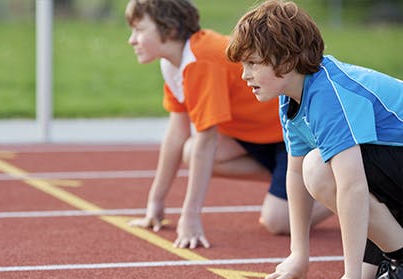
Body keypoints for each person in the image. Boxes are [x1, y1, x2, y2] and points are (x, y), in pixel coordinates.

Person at [226, 0, 403, 279]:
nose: (245, 75)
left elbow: (351, 185)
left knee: (319, 168)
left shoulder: (328, 94)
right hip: (393, 164)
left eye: (252, 63)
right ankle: (396, 257)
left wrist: (348, 274)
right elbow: (293, 175)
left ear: (286, 59)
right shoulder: (290, 98)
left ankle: (401, 259)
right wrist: (298, 254)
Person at [124, 0, 330, 249]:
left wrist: (189, 217)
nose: (132, 40)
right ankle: (288, 177)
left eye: (139, 29)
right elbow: (176, 133)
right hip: (252, 137)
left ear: (170, 29)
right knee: (189, 151)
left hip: (287, 136)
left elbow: (206, 139)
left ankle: (346, 193)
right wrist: (155, 202)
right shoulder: (172, 63)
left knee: (278, 222)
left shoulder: (201, 59)